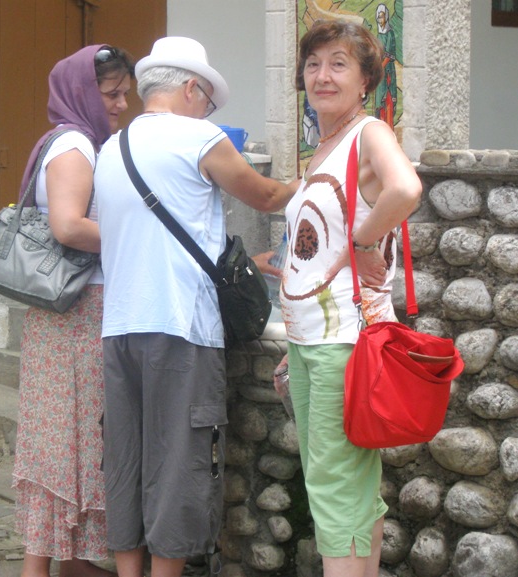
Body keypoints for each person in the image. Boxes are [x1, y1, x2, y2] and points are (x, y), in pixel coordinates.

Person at [93, 37, 295, 577]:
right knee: (180, 461)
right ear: (190, 88)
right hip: (180, 327)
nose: (207, 111)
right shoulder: (199, 136)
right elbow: (266, 197)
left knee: (126, 458)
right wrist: (312, 182)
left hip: (120, 328)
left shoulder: (112, 147)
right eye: (206, 100)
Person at [278, 20, 422, 577]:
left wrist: (363, 243)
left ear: (366, 80)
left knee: (333, 486)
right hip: (313, 340)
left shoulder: (369, 133)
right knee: (350, 485)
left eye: (339, 63)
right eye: (314, 63)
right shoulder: (324, 146)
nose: (322, 75)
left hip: (342, 342)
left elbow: (405, 188)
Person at [10, 45, 134, 577]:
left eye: (125, 93)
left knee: (62, 442)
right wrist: (138, 238)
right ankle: (48, 567)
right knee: (72, 441)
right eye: (111, 94)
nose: (122, 104)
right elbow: (68, 225)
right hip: (81, 311)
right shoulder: (76, 145)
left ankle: (66, 562)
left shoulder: (71, 141)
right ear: (83, 92)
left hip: (66, 313)